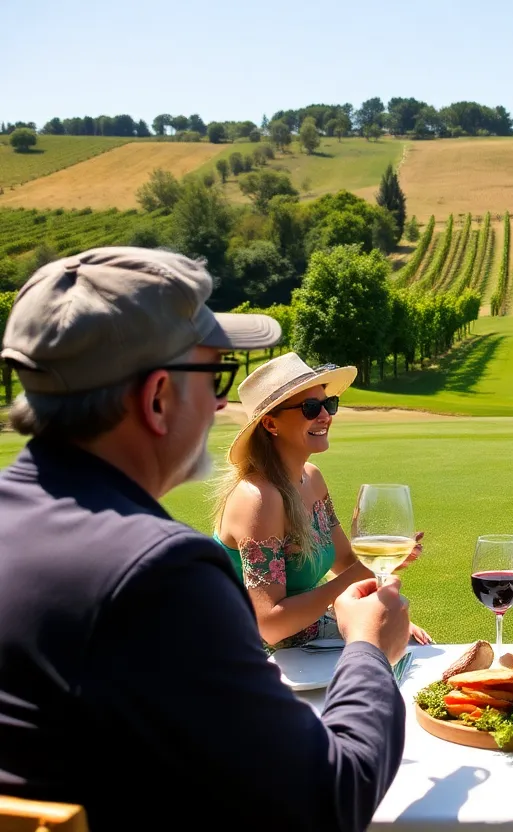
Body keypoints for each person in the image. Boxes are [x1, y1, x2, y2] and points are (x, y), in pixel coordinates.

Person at [0, 248, 408, 831]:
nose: (220, 404)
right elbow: (327, 799)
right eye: (215, 377)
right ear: (159, 398)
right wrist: (370, 652)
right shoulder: (160, 576)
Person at [213, 352, 431, 650]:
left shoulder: (311, 478)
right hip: (247, 655)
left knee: (409, 645)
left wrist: (383, 569)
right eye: (310, 407)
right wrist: (363, 571)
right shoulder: (258, 498)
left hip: (304, 639)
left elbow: (346, 561)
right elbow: (271, 625)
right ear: (270, 424)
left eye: (328, 404)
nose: (325, 416)